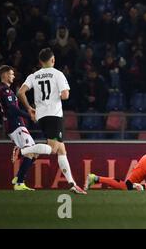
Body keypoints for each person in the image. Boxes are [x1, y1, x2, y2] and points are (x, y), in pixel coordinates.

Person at [18, 48, 87, 194]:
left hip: (41, 116)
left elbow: (21, 92)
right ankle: (23, 150)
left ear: (40, 61)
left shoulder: (34, 76)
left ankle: (72, 183)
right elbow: (65, 95)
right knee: (53, 148)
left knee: (61, 149)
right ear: (53, 60)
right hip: (54, 116)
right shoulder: (58, 74)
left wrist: (29, 108)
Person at [0, 65, 52, 190]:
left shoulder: (5, 90)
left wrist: (28, 113)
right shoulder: (4, 90)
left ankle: (19, 177)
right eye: (11, 74)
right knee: (31, 152)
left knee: (35, 153)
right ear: (4, 75)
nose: (13, 76)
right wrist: (29, 115)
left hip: (17, 125)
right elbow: (12, 110)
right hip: (16, 125)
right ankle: (20, 181)